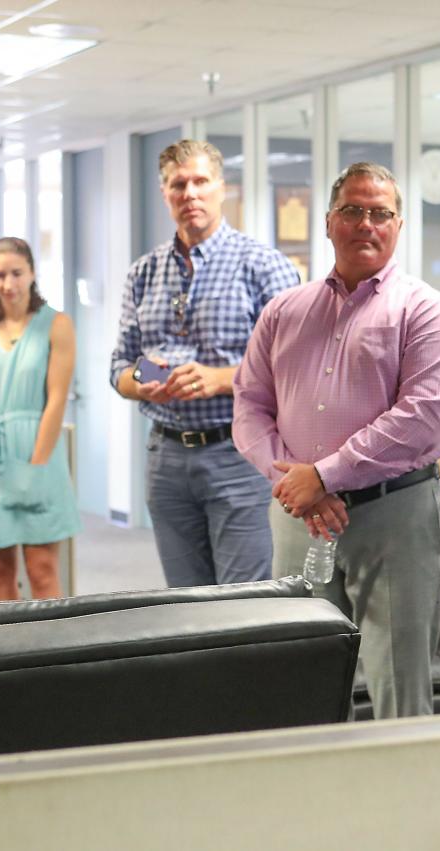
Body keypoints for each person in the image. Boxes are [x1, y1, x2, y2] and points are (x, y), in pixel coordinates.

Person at [233, 162, 440, 719]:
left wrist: (324, 475)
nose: (366, 223)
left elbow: (422, 418)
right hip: (299, 517)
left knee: (398, 684)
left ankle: (404, 801)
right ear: (329, 222)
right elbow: (249, 406)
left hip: (397, 515)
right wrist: (292, 481)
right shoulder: (284, 311)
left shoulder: (425, 310)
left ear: (399, 225)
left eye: (380, 213)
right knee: (301, 670)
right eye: (353, 210)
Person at [110, 139, 298, 588]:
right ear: (165, 194)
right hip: (166, 460)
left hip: (239, 455)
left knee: (239, 604)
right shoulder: (144, 273)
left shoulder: (263, 266)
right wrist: (151, 379)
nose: (190, 194)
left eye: (200, 182)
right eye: (178, 185)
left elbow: (294, 368)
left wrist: (220, 379)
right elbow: (121, 365)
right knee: (185, 606)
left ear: (221, 187)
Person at [0, 237, 80, 600]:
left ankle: (51, 657)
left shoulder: (56, 325)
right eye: (0, 275)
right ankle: (3, 656)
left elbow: (56, 399)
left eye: (16, 273)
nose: (8, 284)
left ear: (32, 273)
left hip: (36, 451)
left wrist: (37, 466)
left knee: (42, 571)